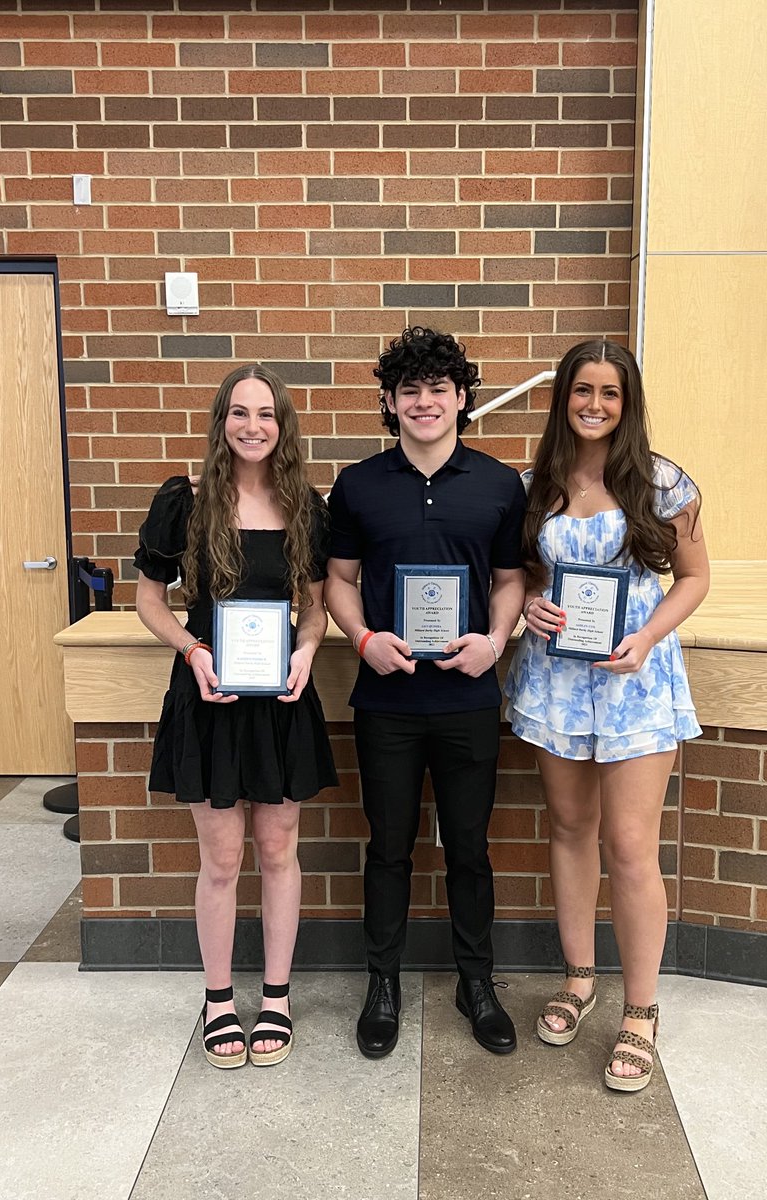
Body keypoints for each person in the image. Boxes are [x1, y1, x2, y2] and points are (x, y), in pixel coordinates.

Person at [504, 339, 709, 1093]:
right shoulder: (535, 485)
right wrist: (530, 602)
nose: (594, 405)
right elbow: (527, 577)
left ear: (628, 403)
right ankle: (580, 978)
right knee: (568, 829)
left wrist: (647, 636)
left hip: (634, 682)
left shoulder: (660, 481)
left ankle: (642, 1010)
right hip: (557, 680)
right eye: (582, 391)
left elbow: (694, 577)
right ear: (563, 398)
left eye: (610, 393)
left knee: (629, 844)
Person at [325, 327, 527, 1058]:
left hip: (469, 701)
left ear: (462, 396)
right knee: (387, 849)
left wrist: (496, 640)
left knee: (470, 849)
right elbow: (338, 581)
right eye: (409, 389)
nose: (424, 401)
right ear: (388, 401)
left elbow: (511, 582)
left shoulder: (501, 485)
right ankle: (383, 986)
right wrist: (363, 639)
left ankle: (478, 985)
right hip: (389, 705)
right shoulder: (357, 486)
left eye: (438, 387)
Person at [134, 364, 337, 1070]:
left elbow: (314, 608)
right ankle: (219, 998)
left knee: (279, 851)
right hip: (211, 696)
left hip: (280, 699)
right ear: (222, 422)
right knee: (221, 859)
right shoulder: (183, 503)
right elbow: (149, 601)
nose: (254, 425)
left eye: (267, 414)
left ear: (283, 425)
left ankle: (275, 996)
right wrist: (192, 651)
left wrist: (308, 651)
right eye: (240, 412)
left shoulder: (305, 506)